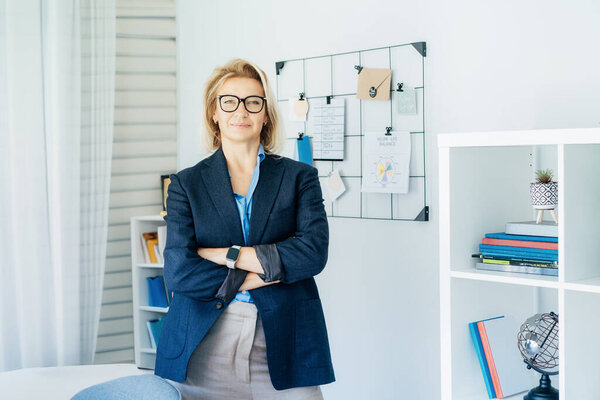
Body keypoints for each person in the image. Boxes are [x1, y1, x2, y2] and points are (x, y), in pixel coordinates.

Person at [154, 58, 335, 400]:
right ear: (214, 113)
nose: (241, 111)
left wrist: (229, 256)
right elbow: (179, 272)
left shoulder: (299, 178)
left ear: (265, 114)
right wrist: (275, 267)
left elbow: (312, 255)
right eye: (229, 101)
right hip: (203, 341)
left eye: (253, 102)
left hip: (286, 337)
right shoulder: (185, 184)